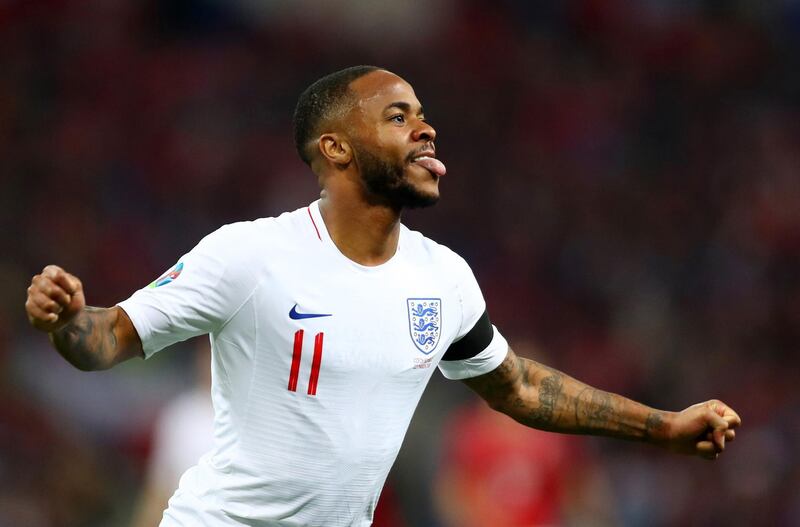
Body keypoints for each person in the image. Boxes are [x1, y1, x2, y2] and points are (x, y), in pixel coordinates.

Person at [25, 65, 741, 527]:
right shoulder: (250, 254)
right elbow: (105, 339)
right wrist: (65, 322)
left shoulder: (445, 278)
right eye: (398, 115)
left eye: (423, 112)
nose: (425, 126)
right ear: (335, 149)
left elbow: (518, 386)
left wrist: (664, 426)